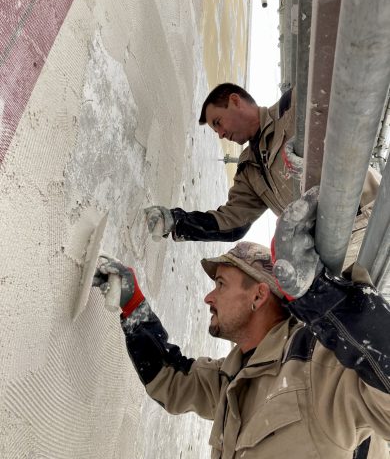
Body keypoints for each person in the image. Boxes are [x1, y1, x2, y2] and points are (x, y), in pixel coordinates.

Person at [94, 187, 390, 458]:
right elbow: (172, 380)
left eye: (221, 284)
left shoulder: (318, 363)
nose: (208, 298)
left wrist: (318, 295)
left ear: (259, 296)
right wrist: (133, 306)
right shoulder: (233, 378)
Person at [144, 83, 380, 267]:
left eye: (218, 122)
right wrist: (177, 221)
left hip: (364, 217)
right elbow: (232, 223)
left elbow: (347, 108)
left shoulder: (292, 105)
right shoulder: (249, 170)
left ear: (235, 101)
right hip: (325, 251)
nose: (221, 134)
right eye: (216, 130)